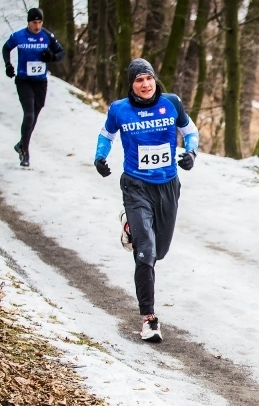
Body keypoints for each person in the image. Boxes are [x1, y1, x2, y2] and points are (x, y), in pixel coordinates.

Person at [93, 58, 199, 342]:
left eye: (148, 78)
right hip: (136, 185)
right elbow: (106, 135)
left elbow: (190, 131)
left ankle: (132, 228)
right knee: (146, 253)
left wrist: (191, 153)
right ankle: (149, 319)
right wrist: (100, 157)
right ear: (132, 84)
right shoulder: (119, 110)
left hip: (167, 187)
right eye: (139, 80)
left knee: (159, 252)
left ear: (155, 80)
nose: (145, 84)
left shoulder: (171, 103)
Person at [2, 7, 65, 167]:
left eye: (39, 22)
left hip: (40, 82)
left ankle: (21, 144)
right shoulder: (19, 36)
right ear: (28, 22)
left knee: (35, 115)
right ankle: (25, 151)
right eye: (34, 23)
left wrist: (51, 57)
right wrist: (8, 65)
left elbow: (61, 53)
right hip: (24, 80)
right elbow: (6, 48)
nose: (37, 26)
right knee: (29, 115)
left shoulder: (47, 35)